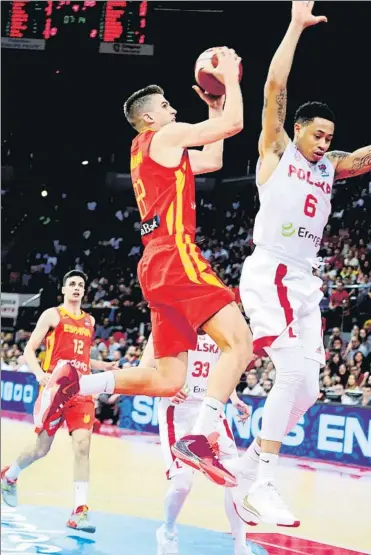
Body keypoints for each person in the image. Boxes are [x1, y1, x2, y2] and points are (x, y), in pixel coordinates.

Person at [235, 0, 371, 527]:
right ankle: (264, 480)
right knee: (291, 371)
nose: (324, 143)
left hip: (303, 280)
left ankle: (249, 466)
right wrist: (295, 26)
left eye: (329, 138)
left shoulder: (331, 167)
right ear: (297, 130)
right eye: (317, 134)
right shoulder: (277, 151)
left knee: (311, 387)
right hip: (269, 269)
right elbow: (274, 89)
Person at [35, 48, 253, 488]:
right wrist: (231, 83)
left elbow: (213, 160)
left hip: (153, 265)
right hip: (175, 254)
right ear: (150, 118)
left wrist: (213, 111)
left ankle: (78, 381)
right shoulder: (165, 138)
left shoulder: (148, 149)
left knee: (170, 378)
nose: (175, 109)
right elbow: (235, 124)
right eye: (168, 106)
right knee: (241, 343)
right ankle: (201, 437)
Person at [1, 270, 117, 532]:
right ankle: (9, 476)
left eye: (81, 285)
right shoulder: (52, 315)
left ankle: (80, 511)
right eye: (72, 284)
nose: (76, 288)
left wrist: (105, 365)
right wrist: (40, 373)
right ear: (64, 290)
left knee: (83, 446)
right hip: (55, 389)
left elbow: (83, 359)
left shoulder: (89, 321)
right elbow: (30, 349)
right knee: (41, 449)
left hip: (81, 390)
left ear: (84, 291)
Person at [140, 332, 252, 555]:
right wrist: (167, 389)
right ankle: (168, 531)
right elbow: (144, 370)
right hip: (178, 412)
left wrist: (235, 398)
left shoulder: (219, 324)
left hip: (211, 410)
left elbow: (224, 370)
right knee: (182, 483)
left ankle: (240, 546)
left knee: (234, 477)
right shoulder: (167, 322)